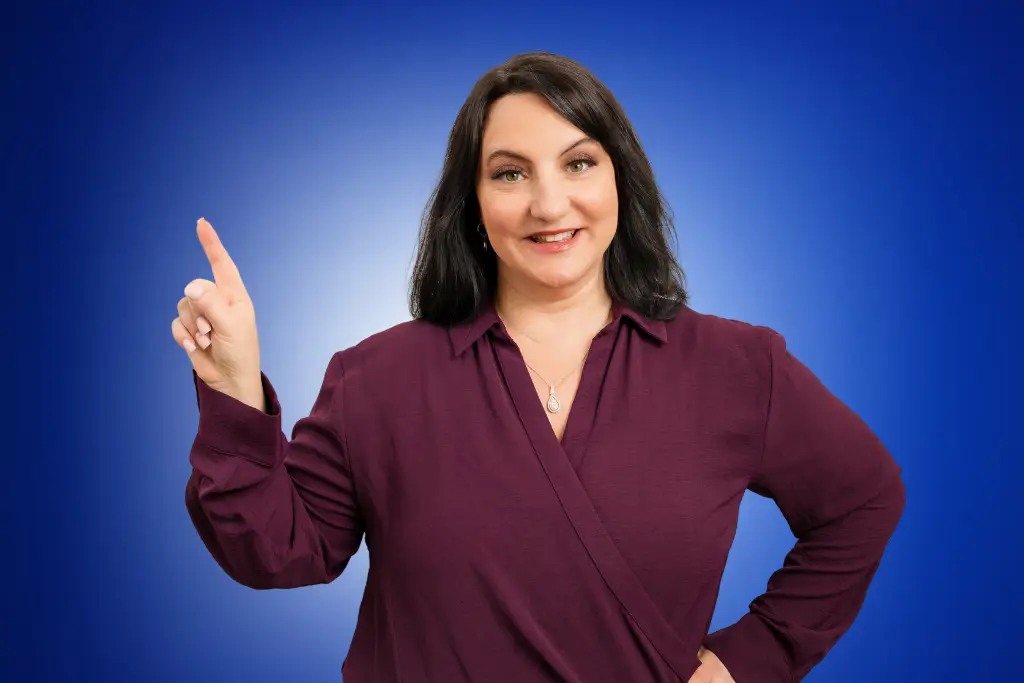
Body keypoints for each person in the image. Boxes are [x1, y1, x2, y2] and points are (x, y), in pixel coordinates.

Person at [171, 52, 906, 683]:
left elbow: (865, 498)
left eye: (579, 162)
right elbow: (280, 551)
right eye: (510, 173)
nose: (549, 204)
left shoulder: (737, 366)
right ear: (472, 203)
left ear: (621, 180)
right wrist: (232, 385)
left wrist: (753, 658)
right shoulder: (376, 378)